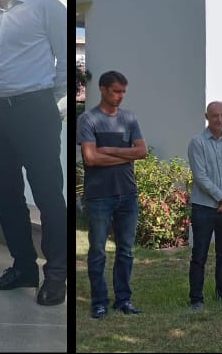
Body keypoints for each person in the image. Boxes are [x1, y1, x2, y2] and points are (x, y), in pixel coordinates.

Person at [0, 0, 67, 306]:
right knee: (6, 195)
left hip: (34, 109)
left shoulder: (46, 7)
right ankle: (24, 267)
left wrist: (50, 98)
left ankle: (57, 273)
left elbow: (65, 59)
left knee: (47, 194)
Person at [79, 70, 146, 319]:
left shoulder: (129, 118)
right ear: (103, 89)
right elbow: (90, 158)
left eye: (123, 92)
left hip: (127, 193)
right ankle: (99, 302)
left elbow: (142, 151)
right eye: (116, 91)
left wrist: (108, 149)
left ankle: (123, 299)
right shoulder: (88, 119)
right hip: (99, 196)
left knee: (126, 250)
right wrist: (123, 153)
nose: (120, 96)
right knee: (97, 251)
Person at [185, 101, 222, 311]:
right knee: (199, 254)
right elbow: (201, 177)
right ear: (207, 116)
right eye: (215, 115)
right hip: (204, 208)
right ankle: (196, 299)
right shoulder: (197, 143)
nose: (219, 120)